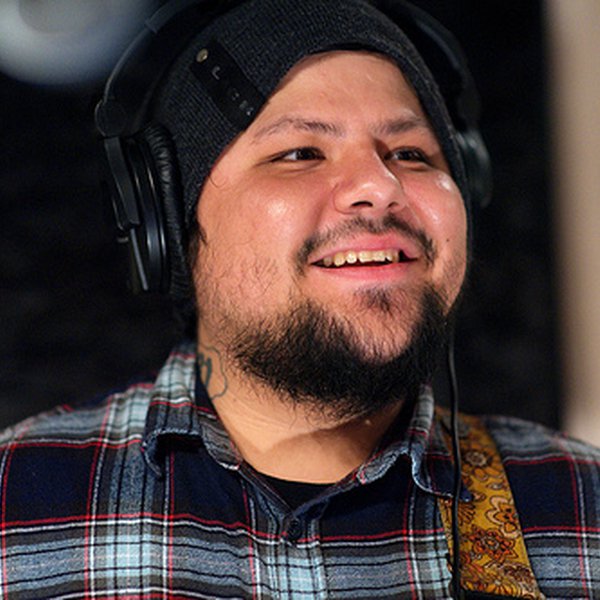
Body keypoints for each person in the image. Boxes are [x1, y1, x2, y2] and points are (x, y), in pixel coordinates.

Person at [0, 0, 598, 598]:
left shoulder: (583, 510)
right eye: (299, 153)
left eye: (411, 154)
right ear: (169, 226)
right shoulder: (12, 506)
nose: (379, 187)